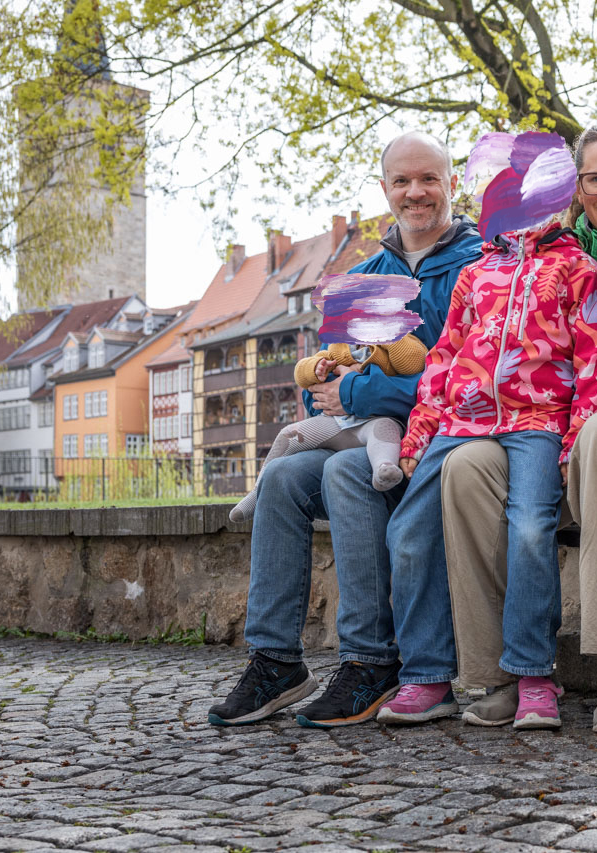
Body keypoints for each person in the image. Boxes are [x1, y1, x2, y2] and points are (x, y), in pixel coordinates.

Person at [207, 131, 482, 729]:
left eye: (428, 178)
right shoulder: (365, 275)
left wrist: (358, 390)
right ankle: (276, 660)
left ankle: (370, 660)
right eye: (402, 181)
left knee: (343, 469)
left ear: (452, 185)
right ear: (385, 190)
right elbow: (320, 379)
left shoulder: (482, 265)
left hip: (438, 442)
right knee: (281, 477)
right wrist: (331, 384)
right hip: (363, 431)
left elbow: (466, 379)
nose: (416, 192)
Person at [376, 131, 597, 730]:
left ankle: (534, 676)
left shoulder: (577, 269)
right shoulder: (477, 273)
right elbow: (442, 359)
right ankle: (427, 675)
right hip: (461, 420)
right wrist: (418, 436)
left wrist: (578, 435)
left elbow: (592, 361)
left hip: (536, 423)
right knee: (407, 529)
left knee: (532, 529)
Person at [441, 124, 597, 734]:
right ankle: (503, 673)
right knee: (465, 468)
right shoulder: (547, 253)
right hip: (549, 426)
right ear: (575, 187)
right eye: (596, 178)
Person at [228, 338, 427, 522]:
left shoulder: (397, 337)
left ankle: (383, 470)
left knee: (386, 432)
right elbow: (301, 372)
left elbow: (415, 361)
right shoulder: (337, 345)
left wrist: (386, 334)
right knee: (288, 435)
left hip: (377, 418)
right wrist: (315, 369)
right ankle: (256, 492)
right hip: (337, 422)